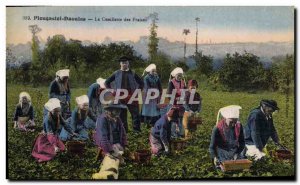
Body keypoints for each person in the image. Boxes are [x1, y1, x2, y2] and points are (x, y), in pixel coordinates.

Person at [105, 56, 144, 133]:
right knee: (122, 114)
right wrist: (112, 91)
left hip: (132, 95)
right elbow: (107, 82)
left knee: (135, 114)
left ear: (128, 63)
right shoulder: (116, 73)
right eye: (123, 63)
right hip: (120, 96)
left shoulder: (133, 73)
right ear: (120, 64)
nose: (124, 64)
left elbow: (141, 83)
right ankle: (124, 131)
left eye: (126, 63)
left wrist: (137, 92)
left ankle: (136, 131)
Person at [32, 98, 77, 162]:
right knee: (52, 151)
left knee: (63, 149)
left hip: (54, 137)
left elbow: (65, 124)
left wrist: (72, 132)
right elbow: (50, 134)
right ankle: (44, 157)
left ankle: (54, 150)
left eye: (59, 111)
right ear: (51, 111)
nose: (57, 113)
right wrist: (54, 146)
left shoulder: (59, 115)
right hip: (46, 138)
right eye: (55, 111)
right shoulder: (47, 119)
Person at [209, 105, 245, 170]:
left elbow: (242, 143)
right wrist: (215, 157)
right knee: (224, 169)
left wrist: (237, 153)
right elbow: (212, 147)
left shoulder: (239, 126)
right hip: (222, 153)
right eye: (231, 122)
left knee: (241, 168)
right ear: (225, 119)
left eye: (235, 121)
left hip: (235, 153)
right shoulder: (217, 128)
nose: (233, 124)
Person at [167, 67, 186, 138]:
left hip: (181, 104)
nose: (179, 77)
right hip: (174, 103)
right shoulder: (171, 83)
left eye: (181, 75)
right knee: (173, 119)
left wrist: (183, 98)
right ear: (175, 75)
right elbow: (169, 94)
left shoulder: (183, 82)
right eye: (178, 75)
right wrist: (176, 99)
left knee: (180, 119)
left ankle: (180, 133)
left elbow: (185, 92)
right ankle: (173, 134)